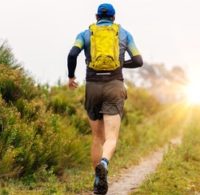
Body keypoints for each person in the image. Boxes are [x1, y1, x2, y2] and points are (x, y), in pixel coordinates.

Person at [67, 3, 143, 194]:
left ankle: (97, 181)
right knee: (111, 137)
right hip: (114, 86)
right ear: (113, 18)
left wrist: (71, 77)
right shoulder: (124, 34)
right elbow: (138, 60)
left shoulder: (85, 34)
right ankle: (104, 163)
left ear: (96, 16)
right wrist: (119, 65)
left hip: (92, 86)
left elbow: (72, 54)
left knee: (97, 137)